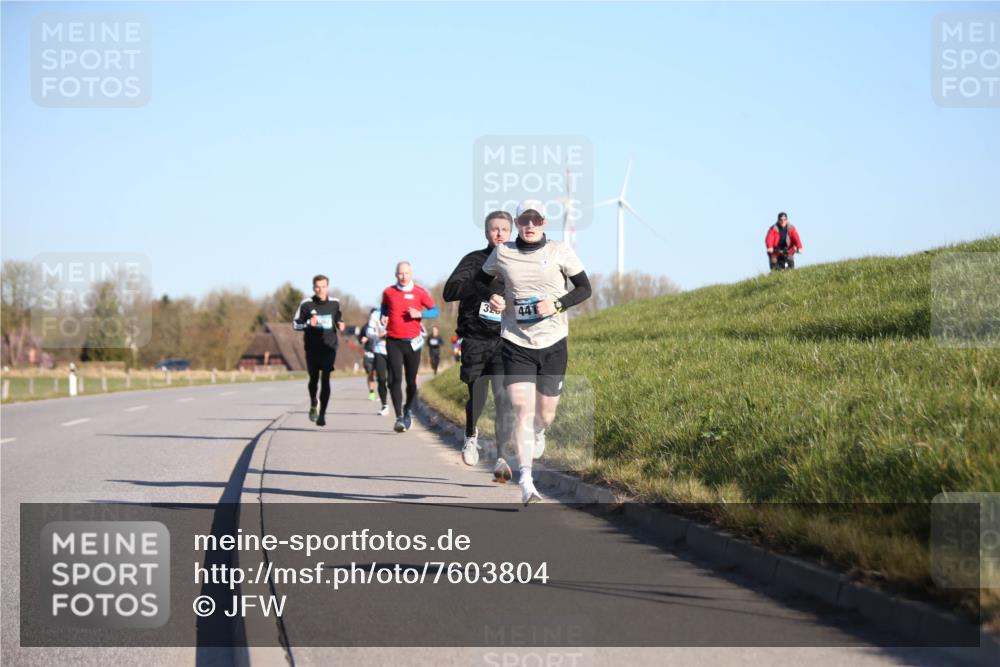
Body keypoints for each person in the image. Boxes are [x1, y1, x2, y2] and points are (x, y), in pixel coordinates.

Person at [477, 201, 591, 504]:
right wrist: (494, 296)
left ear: (544, 222)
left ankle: (541, 431)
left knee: (545, 414)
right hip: (516, 342)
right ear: (516, 223)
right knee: (521, 410)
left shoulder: (559, 251)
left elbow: (584, 288)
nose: (530, 225)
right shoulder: (503, 253)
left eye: (536, 220)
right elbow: (482, 278)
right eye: (524, 220)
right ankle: (527, 480)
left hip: (553, 343)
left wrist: (556, 305)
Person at [444, 210, 515, 479]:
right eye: (494, 229)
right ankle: (471, 435)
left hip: (504, 339)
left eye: (504, 229)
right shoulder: (473, 260)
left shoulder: (517, 261)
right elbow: (449, 291)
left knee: (503, 398)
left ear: (511, 233)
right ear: (486, 233)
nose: (499, 234)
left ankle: (501, 458)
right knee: (478, 395)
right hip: (475, 337)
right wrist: (480, 284)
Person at [380, 261, 438, 432]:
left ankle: (407, 409)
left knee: (411, 381)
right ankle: (399, 417)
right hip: (393, 340)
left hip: (413, 342)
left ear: (411, 274)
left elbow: (435, 311)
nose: (403, 276)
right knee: (394, 379)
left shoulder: (420, 292)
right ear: (395, 274)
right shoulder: (388, 292)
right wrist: (384, 316)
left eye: (406, 273)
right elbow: (384, 307)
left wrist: (420, 313)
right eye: (400, 273)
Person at [292, 274, 345, 427]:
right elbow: (295, 324)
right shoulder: (306, 304)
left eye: (323, 287)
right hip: (312, 348)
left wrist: (340, 323)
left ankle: (322, 415)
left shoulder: (335, 303)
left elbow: (338, 317)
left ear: (327, 287)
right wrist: (309, 322)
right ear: (313, 287)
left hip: (329, 347)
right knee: (314, 379)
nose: (320, 290)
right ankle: (314, 402)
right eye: (317, 287)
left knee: (326, 378)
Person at [361, 307, 390, 415]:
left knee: (388, 378)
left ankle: (385, 393)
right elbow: (362, 336)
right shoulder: (366, 326)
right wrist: (364, 339)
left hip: (389, 350)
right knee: (371, 374)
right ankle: (372, 393)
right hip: (371, 352)